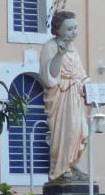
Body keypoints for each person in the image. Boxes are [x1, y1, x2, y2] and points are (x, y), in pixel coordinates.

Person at [38, 10, 90, 183]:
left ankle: (74, 163)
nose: (74, 32)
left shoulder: (73, 49)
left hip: (74, 95)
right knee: (65, 132)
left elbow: (81, 74)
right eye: (69, 29)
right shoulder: (50, 46)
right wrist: (59, 55)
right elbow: (49, 77)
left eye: (75, 28)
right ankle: (61, 168)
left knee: (81, 130)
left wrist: (91, 88)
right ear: (58, 29)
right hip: (60, 97)